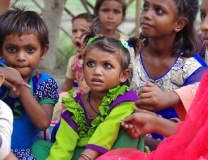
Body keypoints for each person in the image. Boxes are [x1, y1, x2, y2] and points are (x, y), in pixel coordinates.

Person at [97, 0, 208, 159]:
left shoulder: (194, 69)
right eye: (204, 15)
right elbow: (199, 131)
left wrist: (162, 111)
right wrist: (152, 122)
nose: (205, 25)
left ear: (179, 24)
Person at [31, 22, 144, 160]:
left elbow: (107, 129)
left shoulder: (125, 99)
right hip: (80, 154)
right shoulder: (76, 105)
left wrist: (87, 157)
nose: (96, 72)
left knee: (130, 128)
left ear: (123, 75)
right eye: (90, 64)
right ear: (82, 68)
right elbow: (64, 145)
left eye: (107, 66)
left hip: (112, 153)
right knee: (39, 147)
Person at [128, 0, 207, 149]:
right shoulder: (126, 54)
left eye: (159, 11)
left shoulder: (193, 70)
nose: (146, 15)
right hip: (123, 138)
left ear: (179, 24)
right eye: (145, 7)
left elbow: (197, 131)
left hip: (171, 149)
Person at [0, 8, 59, 159]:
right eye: (12, 49)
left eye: (30, 50)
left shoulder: (44, 82)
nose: (21, 57)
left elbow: (43, 123)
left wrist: (20, 85)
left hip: (24, 153)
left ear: (44, 51)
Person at [51, 13, 96, 124]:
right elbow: (67, 86)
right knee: (59, 100)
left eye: (83, 31)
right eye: (74, 31)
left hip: (97, 96)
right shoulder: (73, 60)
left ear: (96, 37)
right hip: (80, 94)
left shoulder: (99, 60)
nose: (77, 35)